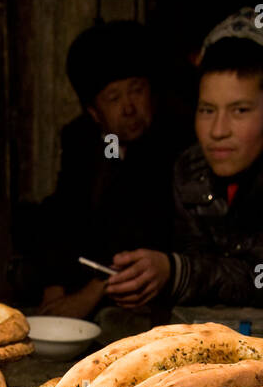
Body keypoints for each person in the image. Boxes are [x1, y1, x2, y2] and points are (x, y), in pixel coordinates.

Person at [104, 11, 263, 354]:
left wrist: (178, 273)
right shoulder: (191, 167)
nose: (217, 130)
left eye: (240, 111)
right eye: (207, 110)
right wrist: (161, 280)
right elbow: (199, 258)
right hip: (243, 336)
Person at [36, 21, 191, 319]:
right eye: (113, 98)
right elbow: (64, 210)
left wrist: (91, 294)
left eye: (137, 91)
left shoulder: (176, 143)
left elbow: (150, 226)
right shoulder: (81, 138)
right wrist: (53, 282)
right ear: (94, 112)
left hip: (143, 290)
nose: (129, 108)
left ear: (153, 93)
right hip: (87, 271)